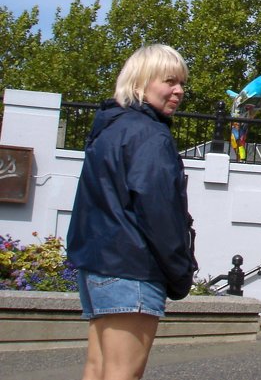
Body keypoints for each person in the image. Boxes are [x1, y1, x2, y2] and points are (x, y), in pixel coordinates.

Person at [66, 44, 198, 380]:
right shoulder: (150, 135)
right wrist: (181, 271)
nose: (179, 91)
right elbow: (159, 212)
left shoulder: (109, 129)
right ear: (140, 82)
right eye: (169, 81)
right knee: (124, 373)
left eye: (181, 83)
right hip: (133, 268)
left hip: (98, 266)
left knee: (98, 369)